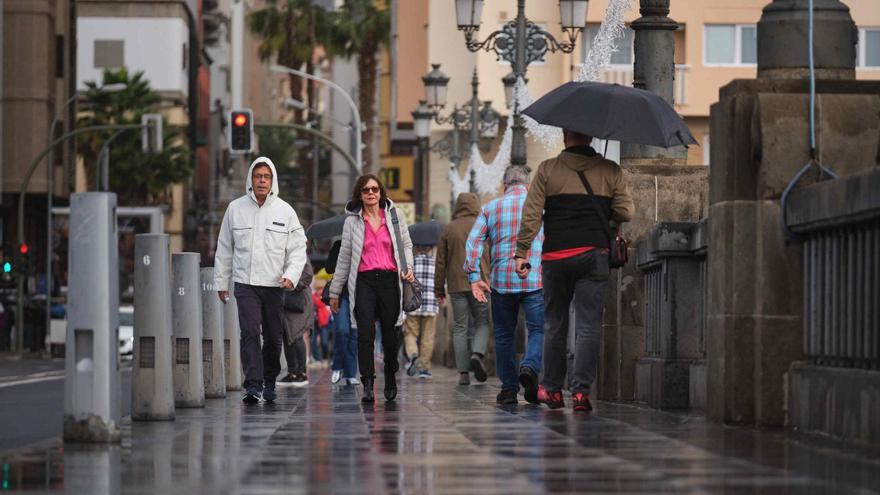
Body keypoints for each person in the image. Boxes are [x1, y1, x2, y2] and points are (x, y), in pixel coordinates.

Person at [516, 129, 635, 412]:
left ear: (564, 136)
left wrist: (521, 252)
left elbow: (532, 214)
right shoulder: (610, 170)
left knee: (554, 324)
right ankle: (581, 393)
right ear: (591, 137)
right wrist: (604, 205)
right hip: (593, 255)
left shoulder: (547, 169)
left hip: (555, 257)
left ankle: (553, 390)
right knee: (588, 326)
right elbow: (626, 212)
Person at [214, 156, 307, 404]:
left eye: (266, 177)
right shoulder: (235, 209)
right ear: (251, 180)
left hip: (275, 285)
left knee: (274, 337)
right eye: (258, 176)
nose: (262, 181)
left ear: (273, 180)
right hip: (245, 283)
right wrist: (221, 282)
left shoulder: (285, 211)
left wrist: (291, 275)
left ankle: (269, 380)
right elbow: (224, 247)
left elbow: (298, 248)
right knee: (250, 333)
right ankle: (253, 385)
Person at [328, 174, 414, 403]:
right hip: (364, 282)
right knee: (364, 333)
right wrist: (335, 292)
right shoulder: (352, 223)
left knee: (390, 335)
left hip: (389, 281)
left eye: (375, 189)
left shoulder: (395, 217)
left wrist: (408, 268)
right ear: (360, 194)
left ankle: (391, 377)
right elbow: (344, 258)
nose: (371, 193)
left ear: (381, 192)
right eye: (366, 190)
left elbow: (406, 244)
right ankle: (367, 382)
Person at [464, 166, 545, 405]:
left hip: (501, 282)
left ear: (504, 186)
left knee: (504, 335)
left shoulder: (490, 208)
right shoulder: (540, 208)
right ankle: (529, 368)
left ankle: (509, 389)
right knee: (539, 330)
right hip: (535, 279)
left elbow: (474, 241)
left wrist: (474, 275)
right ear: (528, 186)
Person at [435, 193, 491, 386]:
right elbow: (491, 253)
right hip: (481, 283)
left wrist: (438, 288)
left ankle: (463, 373)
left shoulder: (448, 229)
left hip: (456, 284)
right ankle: (477, 353)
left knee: (460, 327)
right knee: (482, 322)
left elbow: (440, 261)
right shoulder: (484, 224)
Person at [326, 240, 359, 386]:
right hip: (341, 294)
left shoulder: (364, 243)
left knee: (354, 334)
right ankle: (337, 365)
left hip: (359, 294)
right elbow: (329, 269)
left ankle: (350, 373)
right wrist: (341, 254)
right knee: (341, 330)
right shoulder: (338, 245)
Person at [404, 245, 439, 379]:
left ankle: (413, 355)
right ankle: (424, 369)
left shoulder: (411, 262)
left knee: (411, 334)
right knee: (428, 336)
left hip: (414, 304)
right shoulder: (435, 262)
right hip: (430, 304)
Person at [279, 260, 314, 388]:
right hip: (286, 299)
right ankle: (292, 372)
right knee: (287, 335)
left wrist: (294, 284)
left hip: (298, 300)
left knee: (296, 334)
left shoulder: (300, 252)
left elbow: (308, 274)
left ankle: (302, 373)